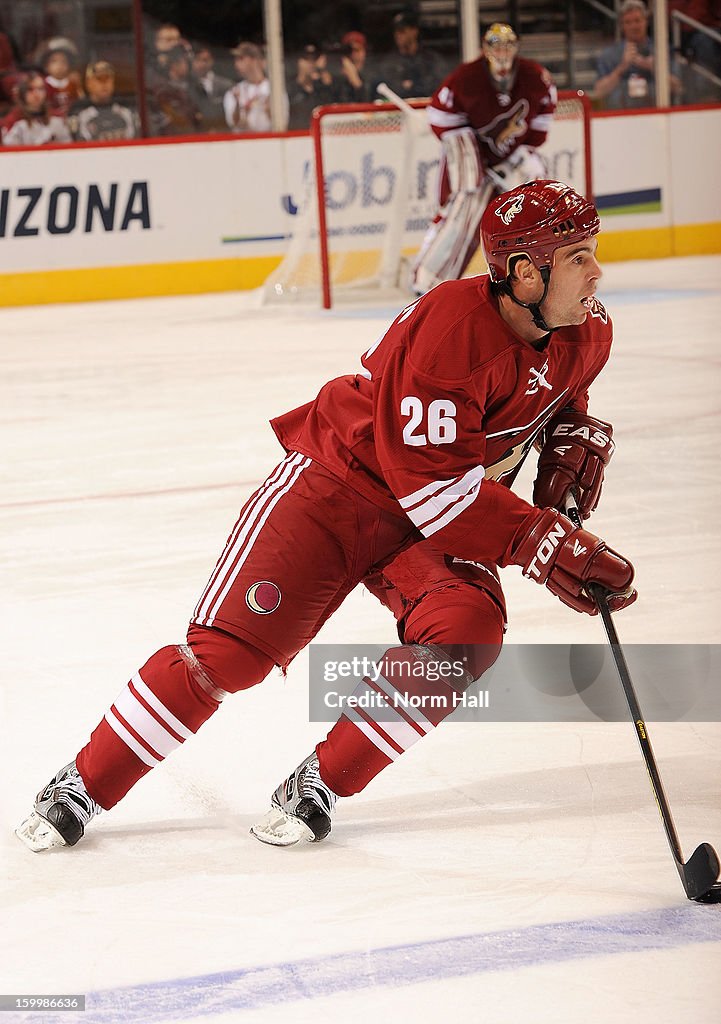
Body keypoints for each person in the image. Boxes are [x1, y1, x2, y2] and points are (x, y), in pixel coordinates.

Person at [17, 179, 637, 854]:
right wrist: (543, 542)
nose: (595, 271)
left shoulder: (588, 329)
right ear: (524, 273)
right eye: (576, 256)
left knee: (466, 630)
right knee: (227, 657)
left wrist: (570, 440)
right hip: (340, 490)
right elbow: (438, 494)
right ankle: (83, 782)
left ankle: (321, 780)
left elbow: (558, 398)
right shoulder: (449, 331)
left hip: (428, 517)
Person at [411, 22, 557, 295]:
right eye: (496, 46)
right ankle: (428, 280)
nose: (502, 52)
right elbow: (440, 116)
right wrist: (475, 161)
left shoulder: (535, 76)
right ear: (484, 48)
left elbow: (542, 119)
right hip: (474, 156)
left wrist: (520, 152)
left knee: (536, 185)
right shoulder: (466, 77)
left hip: (510, 156)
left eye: (507, 46)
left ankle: (542, 271)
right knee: (464, 208)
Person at [595, 0, 682, 109]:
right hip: (620, 117)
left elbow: (678, 87)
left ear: (646, 21)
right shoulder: (608, 55)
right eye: (628, 22)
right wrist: (621, 68)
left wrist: (655, 68)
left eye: (637, 20)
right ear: (622, 26)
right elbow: (599, 92)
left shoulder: (661, 50)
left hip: (657, 113)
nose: (634, 26)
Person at [373, 9, 444, 100]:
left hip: (425, 109)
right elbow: (383, 91)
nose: (398, 35)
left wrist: (413, 86)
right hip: (396, 110)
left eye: (402, 31)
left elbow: (437, 87)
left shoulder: (430, 59)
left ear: (414, 31)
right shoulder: (388, 63)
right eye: (395, 31)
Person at [67, 61, 138, 142]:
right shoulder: (78, 110)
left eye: (108, 78)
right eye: (99, 79)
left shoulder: (127, 107)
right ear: (88, 83)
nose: (104, 84)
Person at [223, 41, 282, 133]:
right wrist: (239, 107)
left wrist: (270, 110)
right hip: (243, 142)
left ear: (254, 60)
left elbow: (283, 122)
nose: (236, 64)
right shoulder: (234, 91)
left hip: (270, 140)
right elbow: (233, 123)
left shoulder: (274, 89)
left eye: (241, 59)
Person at [2, 71, 71, 146]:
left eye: (40, 89)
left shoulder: (56, 119)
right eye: (30, 89)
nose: (36, 94)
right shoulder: (13, 120)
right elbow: (8, 150)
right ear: (22, 92)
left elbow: (67, 145)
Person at [287, 44, 334, 130]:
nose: (311, 63)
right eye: (307, 59)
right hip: (297, 137)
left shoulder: (322, 88)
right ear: (299, 62)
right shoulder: (289, 88)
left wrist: (322, 77)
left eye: (314, 59)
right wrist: (302, 78)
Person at [189, 45, 233, 132]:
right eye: (197, 60)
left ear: (211, 61)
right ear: (192, 62)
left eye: (205, 60)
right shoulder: (187, 86)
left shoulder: (226, 85)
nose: (201, 64)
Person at [41, 42, 83, 118]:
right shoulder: (43, 85)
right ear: (46, 65)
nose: (59, 65)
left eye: (63, 61)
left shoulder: (72, 84)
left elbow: (78, 103)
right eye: (54, 61)